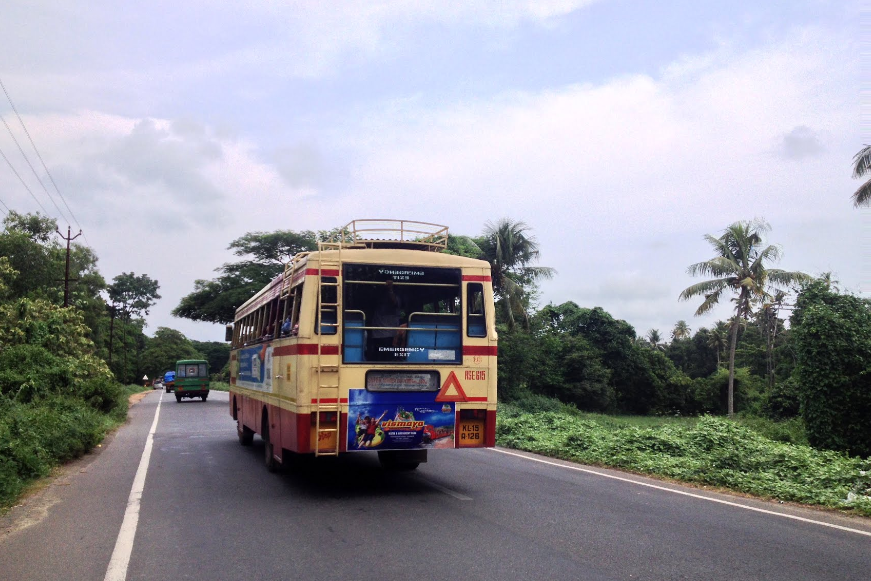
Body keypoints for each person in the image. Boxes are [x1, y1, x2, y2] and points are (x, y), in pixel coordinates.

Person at [368, 280, 403, 361]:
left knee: (389, 357)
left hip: (392, 333)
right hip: (378, 333)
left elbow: (394, 302)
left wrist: (390, 290)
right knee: (379, 356)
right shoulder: (377, 298)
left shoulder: (396, 298)